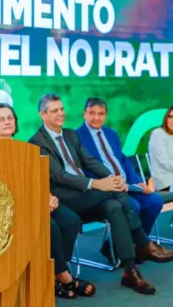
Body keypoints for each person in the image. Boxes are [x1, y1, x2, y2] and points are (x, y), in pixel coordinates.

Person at [29, 93, 173, 295]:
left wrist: (111, 179)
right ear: (42, 115)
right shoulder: (37, 141)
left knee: (114, 205)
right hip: (65, 197)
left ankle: (130, 271)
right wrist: (98, 184)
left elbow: (90, 162)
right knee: (114, 195)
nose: (60, 114)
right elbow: (59, 176)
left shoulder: (70, 134)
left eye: (61, 109)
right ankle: (142, 242)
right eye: (54, 110)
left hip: (86, 194)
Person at [0, 103, 95, 298]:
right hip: (11, 206)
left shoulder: (26, 148)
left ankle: (53, 272)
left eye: (10, 117)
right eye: (1, 119)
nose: (7, 122)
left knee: (71, 221)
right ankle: (64, 276)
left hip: (37, 198)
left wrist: (48, 197)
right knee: (49, 226)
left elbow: (37, 179)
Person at [77, 97, 163, 236]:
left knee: (155, 201)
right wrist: (112, 183)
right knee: (133, 206)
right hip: (106, 189)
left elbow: (122, 160)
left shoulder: (111, 133)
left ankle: (139, 245)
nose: (96, 118)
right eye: (92, 113)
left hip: (128, 185)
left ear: (105, 115)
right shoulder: (76, 137)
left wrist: (138, 181)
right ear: (84, 114)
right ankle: (126, 249)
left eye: (101, 114)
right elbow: (83, 170)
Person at [149, 105, 173, 192]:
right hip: (166, 182)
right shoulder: (158, 134)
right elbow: (164, 162)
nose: (172, 121)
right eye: (170, 117)